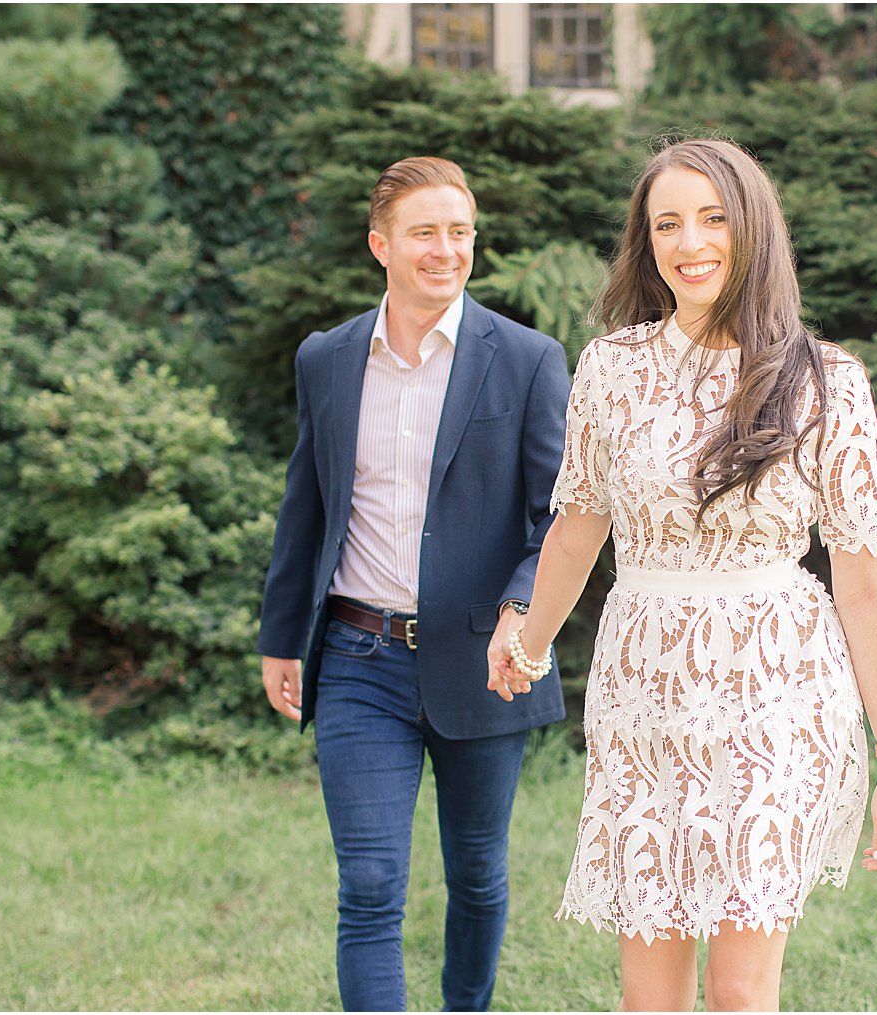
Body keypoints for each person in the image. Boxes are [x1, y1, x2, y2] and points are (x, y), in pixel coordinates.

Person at [489, 138, 877, 1011]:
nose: (691, 243)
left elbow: (864, 578)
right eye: (667, 224)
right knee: (650, 994)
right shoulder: (612, 368)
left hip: (776, 686)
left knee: (737, 990)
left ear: (752, 230)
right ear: (646, 243)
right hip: (645, 684)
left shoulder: (826, 378)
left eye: (714, 219)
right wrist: (527, 643)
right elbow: (577, 529)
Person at [258, 156, 571, 1012]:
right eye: (426, 232)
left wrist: (520, 611)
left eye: (460, 232)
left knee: (477, 873)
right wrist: (282, 634)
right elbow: (307, 500)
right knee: (367, 881)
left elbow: (561, 518)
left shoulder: (529, 361)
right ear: (381, 245)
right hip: (359, 654)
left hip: (484, 659)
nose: (446, 249)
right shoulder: (327, 360)